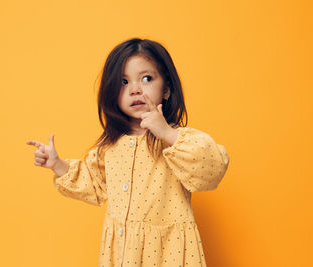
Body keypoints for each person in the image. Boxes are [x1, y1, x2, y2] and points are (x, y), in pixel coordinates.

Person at [26, 37, 230, 267]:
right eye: (123, 82)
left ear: (166, 89)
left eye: (146, 78)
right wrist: (57, 164)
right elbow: (94, 184)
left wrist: (166, 132)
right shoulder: (111, 146)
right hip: (123, 253)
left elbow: (211, 167)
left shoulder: (176, 141)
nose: (135, 90)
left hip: (166, 254)